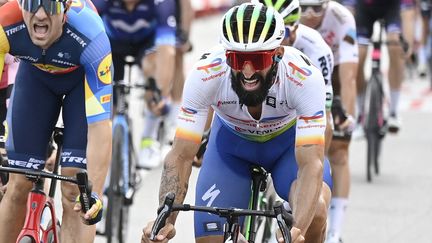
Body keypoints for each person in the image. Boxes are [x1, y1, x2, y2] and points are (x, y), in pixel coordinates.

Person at [141, 3, 332, 243]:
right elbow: (180, 155)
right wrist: (165, 222)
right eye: (237, 58)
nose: (248, 71)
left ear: (278, 55)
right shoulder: (205, 73)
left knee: (316, 213)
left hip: (287, 149)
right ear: (225, 54)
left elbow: (310, 165)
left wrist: (298, 230)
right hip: (231, 149)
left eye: (258, 59)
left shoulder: (304, 77)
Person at [0, 0, 113, 241]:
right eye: (32, 3)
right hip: (35, 80)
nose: (40, 14)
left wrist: (95, 194)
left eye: (50, 6)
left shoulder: (91, 35)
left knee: (76, 191)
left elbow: (99, 126)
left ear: (66, 9)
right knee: (18, 184)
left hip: (80, 84)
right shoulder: (4, 25)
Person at [299, 1, 358, 243]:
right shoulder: (290, 22)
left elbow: (349, 76)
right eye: (303, 9)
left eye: (316, 9)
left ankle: (334, 231)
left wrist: (347, 119)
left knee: (339, 152)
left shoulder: (342, 18)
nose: (309, 15)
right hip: (300, 79)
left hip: (333, 78)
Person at [93, 0, 178, 169]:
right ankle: (104, 149)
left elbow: (167, 50)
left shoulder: (160, 2)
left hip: (146, 43)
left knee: (153, 68)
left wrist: (159, 94)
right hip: (113, 43)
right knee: (107, 96)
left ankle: (149, 139)